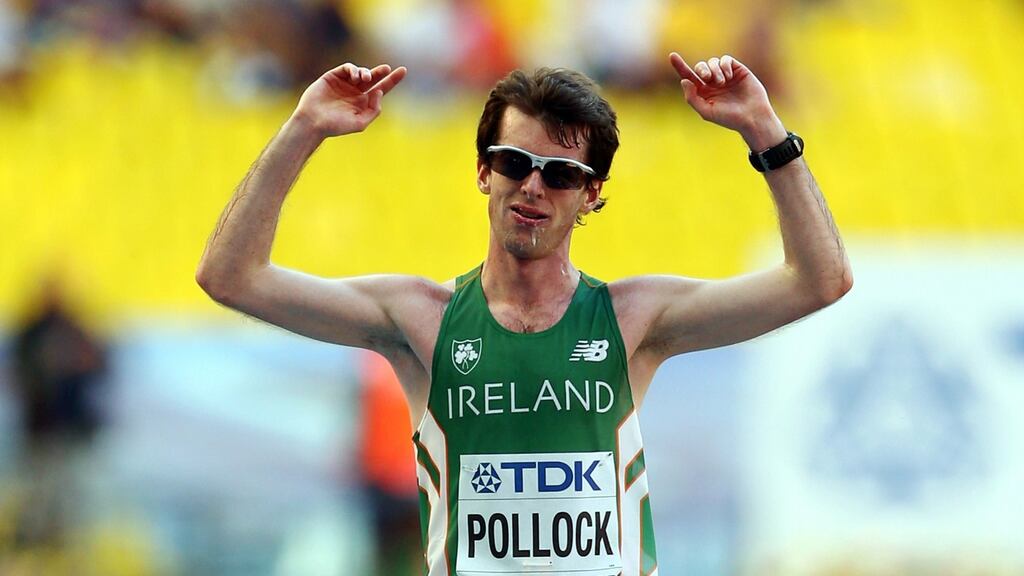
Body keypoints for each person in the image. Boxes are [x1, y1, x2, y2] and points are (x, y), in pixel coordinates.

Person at [196, 51, 852, 575]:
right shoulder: (419, 319)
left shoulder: (634, 319)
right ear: (485, 173)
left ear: (591, 195)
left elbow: (820, 281)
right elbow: (232, 277)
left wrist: (766, 132)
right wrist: (303, 128)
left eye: (561, 174)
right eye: (515, 163)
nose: (533, 186)